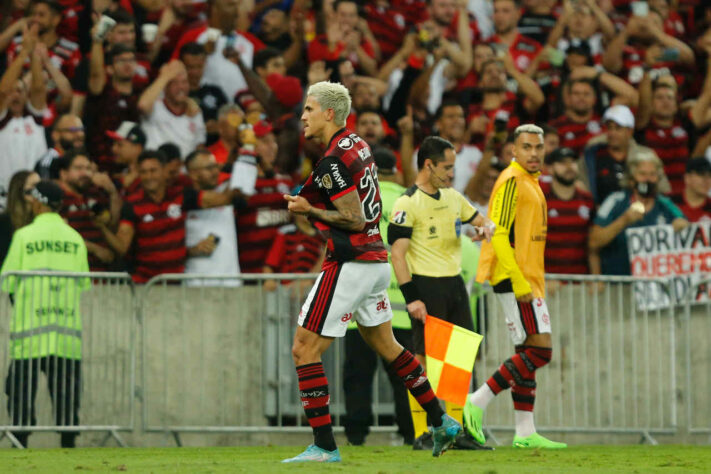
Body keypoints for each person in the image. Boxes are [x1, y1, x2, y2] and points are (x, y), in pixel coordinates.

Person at [282, 81, 461, 463]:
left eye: (309, 109)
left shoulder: (332, 160)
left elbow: (353, 217)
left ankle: (325, 446)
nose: (303, 116)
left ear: (329, 113)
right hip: (375, 263)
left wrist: (309, 210)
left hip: (353, 263)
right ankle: (441, 420)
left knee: (303, 349)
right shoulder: (357, 144)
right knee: (390, 347)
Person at [464, 124, 567, 449]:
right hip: (515, 278)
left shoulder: (529, 182)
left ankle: (524, 431)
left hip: (526, 276)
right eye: (527, 147)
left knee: (526, 352)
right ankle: (476, 402)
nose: (534, 153)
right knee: (541, 350)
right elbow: (500, 234)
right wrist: (519, 280)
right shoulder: (511, 180)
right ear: (514, 151)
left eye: (538, 147)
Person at [390, 135, 494, 450]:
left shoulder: (453, 197)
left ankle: (458, 430)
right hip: (426, 285)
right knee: (423, 362)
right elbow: (397, 254)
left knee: (460, 362)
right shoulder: (407, 203)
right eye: (446, 168)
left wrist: (482, 230)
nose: (451, 174)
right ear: (428, 164)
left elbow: (480, 222)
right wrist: (412, 299)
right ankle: (422, 432)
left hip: (453, 286)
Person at [1, 180, 90, 448]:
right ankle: (68, 450)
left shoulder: (24, 236)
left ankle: (20, 445)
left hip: (29, 332)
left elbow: (8, 281)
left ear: (38, 203)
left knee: (21, 397)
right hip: (64, 334)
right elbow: (84, 283)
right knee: (66, 398)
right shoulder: (74, 237)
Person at [341, 148, 414, 447]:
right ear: (396, 171)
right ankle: (411, 434)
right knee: (404, 376)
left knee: (357, 377)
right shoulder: (408, 202)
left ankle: (356, 437)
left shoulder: (355, 200)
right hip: (401, 309)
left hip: (358, 306)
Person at [97, 150, 241, 283]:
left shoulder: (181, 195)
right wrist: (102, 228)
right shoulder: (132, 205)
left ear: (164, 171)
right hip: (145, 285)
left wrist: (240, 162)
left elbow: (224, 199)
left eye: (153, 171)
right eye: (144, 172)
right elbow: (122, 247)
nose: (149, 177)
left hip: (177, 284)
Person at [589, 151, 689, 276]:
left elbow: (687, 229)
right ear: (631, 179)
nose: (648, 179)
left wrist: (683, 226)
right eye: (642, 174)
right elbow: (594, 242)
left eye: (652, 174)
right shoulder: (615, 201)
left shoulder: (666, 204)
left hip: (655, 286)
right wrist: (623, 220)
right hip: (619, 285)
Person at [0, 23, 48, 192]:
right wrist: (23, 54)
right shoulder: (2, 120)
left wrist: (34, 54)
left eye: (20, 90)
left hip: (35, 192)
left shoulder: (34, 118)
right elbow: (3, 91)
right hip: (4, 194)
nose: (15, 95)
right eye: (12, 91)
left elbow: (38, 89)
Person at [184, 148, 241, 285]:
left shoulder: (226, 190)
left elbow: (247, 177)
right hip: (194, 286)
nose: (216, 172)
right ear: (193, 174)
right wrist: (191, 251)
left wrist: (227, 165)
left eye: (216, 166)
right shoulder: (181, 199)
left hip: (231, 284)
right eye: (209, 168)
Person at [540, 147, 595, 275]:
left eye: (572, 162)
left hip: (582, 280)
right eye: (562, 162)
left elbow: (591, 244)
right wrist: (543, 275)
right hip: (549, 281)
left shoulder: (587, 199)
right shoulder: (540, 199)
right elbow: (531, 243)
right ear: (550, 169)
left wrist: (595, 277)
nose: (569, 166)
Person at [138, 60, 206, 159]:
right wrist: (165, 76)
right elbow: (143, 105)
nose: (181, 87)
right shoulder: (155, 106)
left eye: (184, 82)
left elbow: (199, 145)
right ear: (165, 86)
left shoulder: (195, 111)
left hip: (184, 170)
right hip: (157, 168)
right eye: (174, 83)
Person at [0, 171, 40, 264]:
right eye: (34, 185)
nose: (39, 190)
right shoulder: (3, 222)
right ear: (19, 189)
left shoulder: (41, 220)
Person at [672, 157, 711, 222]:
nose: (706, 180)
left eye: (709, 176)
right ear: (687, 178)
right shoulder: (670, 202)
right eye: (701, 175)